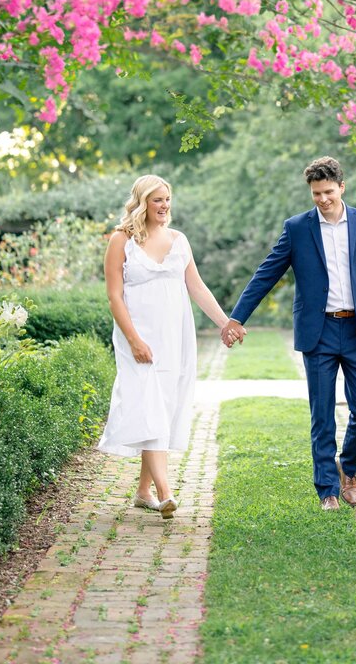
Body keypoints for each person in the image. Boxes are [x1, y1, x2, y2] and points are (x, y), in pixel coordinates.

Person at [221, 156, 356, 511]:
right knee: (322, 413)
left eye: (328, 191)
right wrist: (237, 318)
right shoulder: (297, 228)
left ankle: (349, 466)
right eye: (316, 193)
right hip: (320, 332)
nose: (323, 199)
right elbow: (266, 274)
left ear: (341, 187)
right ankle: (327, 489)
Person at [98, 173, 233, 518]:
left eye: (167, 200)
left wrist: (225, 323)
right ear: (142, 202)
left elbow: (197, 288)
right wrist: (133, 340)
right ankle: (165, 492)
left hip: (174, 338)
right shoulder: (121, 240)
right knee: (149, 408)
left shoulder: (179, 240)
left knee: (162, 408)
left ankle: (143, 491)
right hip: (138, 338)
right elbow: (114, 296)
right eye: (157, 200)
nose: (164, 206)